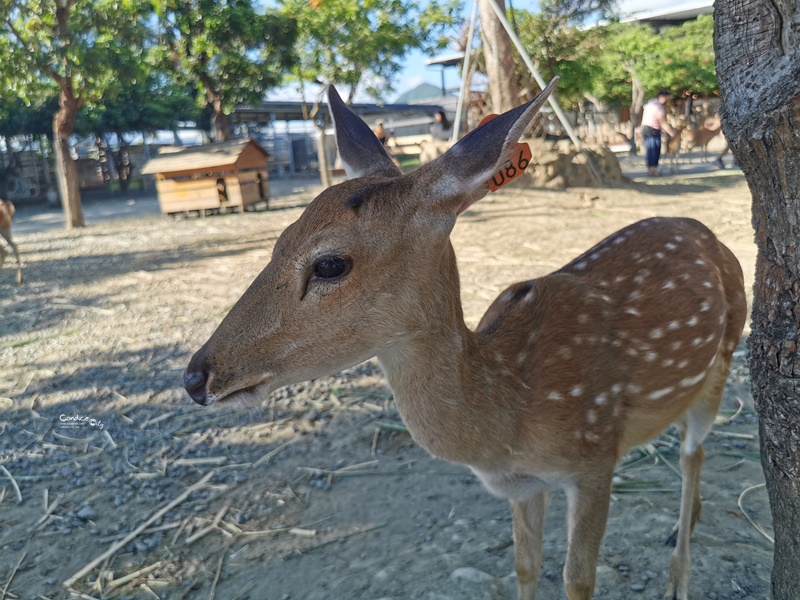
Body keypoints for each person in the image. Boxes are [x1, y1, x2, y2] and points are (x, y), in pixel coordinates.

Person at [641, 90, 677, 177]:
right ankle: (653, 170)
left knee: (650, 150)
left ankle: (651, 170)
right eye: (668, 98)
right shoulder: (659, 107)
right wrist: (672, 133)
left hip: (646, 129)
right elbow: (663, 123)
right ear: (663, 97)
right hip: (653, 130)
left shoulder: (649, 103)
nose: (668, 101)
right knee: (654, 150)